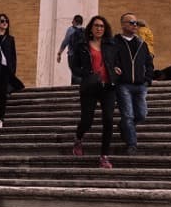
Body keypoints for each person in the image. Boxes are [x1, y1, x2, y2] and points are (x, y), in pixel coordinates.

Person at [71, 15, 117, 169]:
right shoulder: (82, 45)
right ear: (91, 28)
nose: (99, 28)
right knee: (87, 120)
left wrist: (117, 70)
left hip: (108, 86)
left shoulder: (110, 44)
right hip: (90, 86)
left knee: (109, 120)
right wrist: (85, 73)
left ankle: (104, 156)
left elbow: (116, 62)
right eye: (96, 26)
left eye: (102, 26)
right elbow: (74, 65)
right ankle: (78, 138)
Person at [113, 13, 154, 155]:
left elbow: (149, 63)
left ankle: (123, 126)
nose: (135, 25)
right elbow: (109, 60)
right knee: (128, 115)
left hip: (140, 85)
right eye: (131, 22)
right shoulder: (115, 42)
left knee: (142, 114)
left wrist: (148, 78)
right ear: (123, 24)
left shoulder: (142, 44)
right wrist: (114, 69)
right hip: (123, 84)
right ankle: (131, 144)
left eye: (136, 23)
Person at [57, 14, 84, 85]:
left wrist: (59, 52)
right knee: (80, 70)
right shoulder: (85, 30)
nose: (72, 22)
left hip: (72, 54)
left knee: (74, 70)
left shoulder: (71, 29)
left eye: (73, 21)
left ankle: (75, 86)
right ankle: (80, 85)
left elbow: (65, 41)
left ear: (75, 21)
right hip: (82, 56)